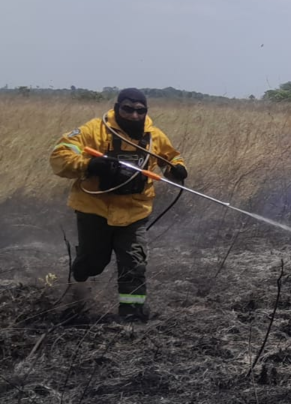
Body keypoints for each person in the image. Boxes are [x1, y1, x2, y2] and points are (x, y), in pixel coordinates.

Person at [49, 88, 188, 322]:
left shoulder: (153, 135)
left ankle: (132, 316)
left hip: (135, 211)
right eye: (128, 109)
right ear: (117, 107)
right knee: (93, 262)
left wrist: (177, 168)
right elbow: (59, 157)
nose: (134, 115)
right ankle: (78, 293)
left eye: (140, 110)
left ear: (145, 111)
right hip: (94, 209)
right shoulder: (94, 130)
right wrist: (90, 165)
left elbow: (171, 156)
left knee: (134, 264)